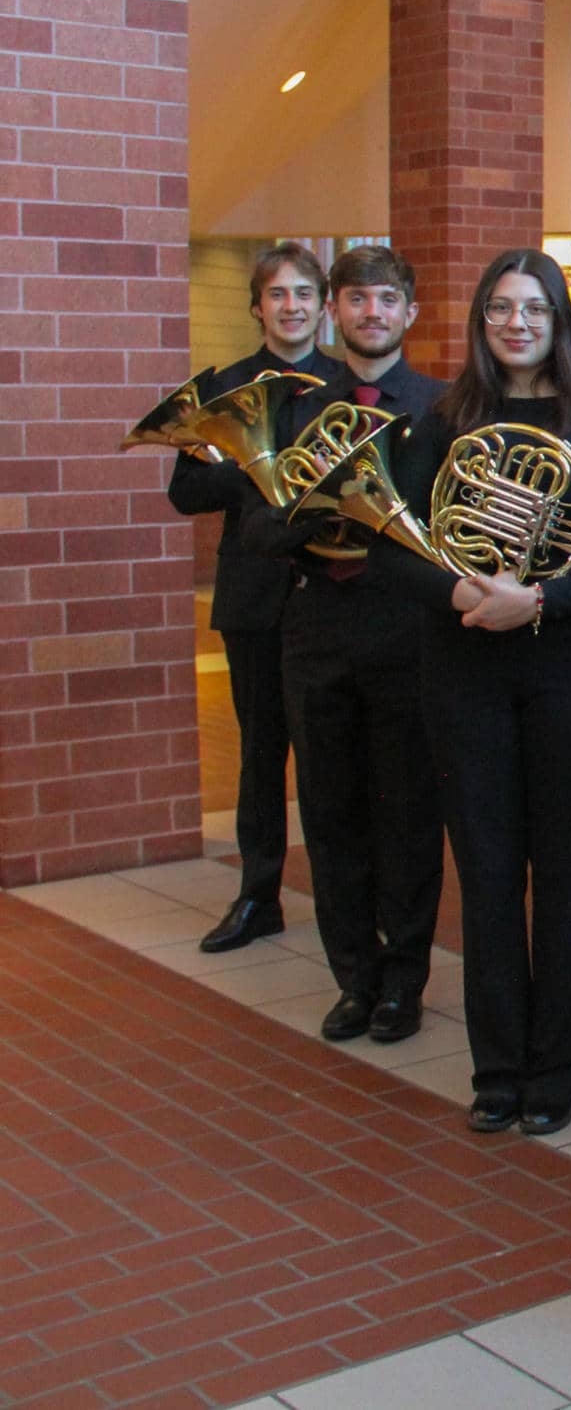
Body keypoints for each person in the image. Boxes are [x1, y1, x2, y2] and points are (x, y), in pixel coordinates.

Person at [367, 250, 571, 1136]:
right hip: (465, 670)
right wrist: (463, 595)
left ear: (557, 320)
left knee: (566, 876)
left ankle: (560, 1068)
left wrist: (536, 598)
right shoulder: (444, 418)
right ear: (481, 322)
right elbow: (390, 543)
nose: (517, 323)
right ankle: (497, 1068)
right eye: (499, 308)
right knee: (487, 875)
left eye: (532, 308)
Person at [238, 246, 447, 1042]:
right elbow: (257, 528)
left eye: (386, 299)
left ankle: (405, 980)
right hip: (316, 626)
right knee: (329, 812)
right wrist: (315, 503)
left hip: (406, 627)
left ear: (409, 311)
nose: (371, 312)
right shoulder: (291, 409)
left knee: (408, 811)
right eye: (356, 299)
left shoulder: (439, 406)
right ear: (336, 310)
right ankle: (354, 977)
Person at [168, 241, 344, 953]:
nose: (292, 305)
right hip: (254, 597)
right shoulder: (223, 391)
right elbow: (184, 493)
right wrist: (250, 469)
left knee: (336, 757)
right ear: (257, 307)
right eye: (278, 294)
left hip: (332, 595)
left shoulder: (344, 383)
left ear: (323, 306)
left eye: (305, 293)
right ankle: (258, 894)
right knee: (261, 753)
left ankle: (346, 896)